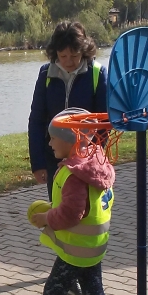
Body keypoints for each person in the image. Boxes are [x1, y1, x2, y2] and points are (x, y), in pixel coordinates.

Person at [20, 108, 135, 295]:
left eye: (53, 138)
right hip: (93, 247)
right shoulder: (95, 163)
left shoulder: (74, 174)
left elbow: (72, 213)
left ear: (70, 140)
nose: (49, 143)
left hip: (76, 251)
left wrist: (47, 217)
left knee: (52, 293)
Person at [28, 21, 108, 199]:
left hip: (86, 159)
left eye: (74, 55)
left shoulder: (98, 73)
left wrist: (92, 157)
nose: (68, 61)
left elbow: (103, 123)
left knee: (85, 206)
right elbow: (36, 121)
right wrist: (38, 163)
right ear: (55, 52)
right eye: (63, 56)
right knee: (58, 206)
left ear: (84, 51)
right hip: (53, 157)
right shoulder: (45, 74)